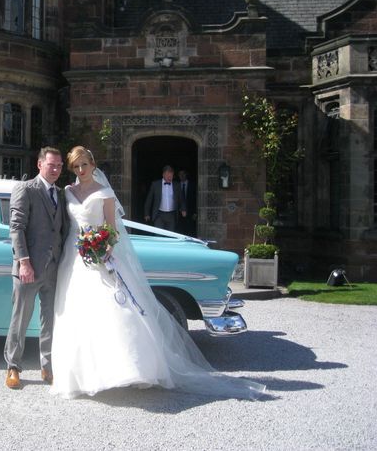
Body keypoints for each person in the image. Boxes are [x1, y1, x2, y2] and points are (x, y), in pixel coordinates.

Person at [50, 146, 267, 399]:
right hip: (73, 258)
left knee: (115, 310)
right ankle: (79, 375)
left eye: (84, 165)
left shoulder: (104, 192)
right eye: (75, 166)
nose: (80, 170)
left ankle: (126, 369)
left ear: (92, 164)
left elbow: (111, 229)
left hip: (100, 258)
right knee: (77, 312)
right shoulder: (67, 192)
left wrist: (105, 248)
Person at [4, 146, 67, 389]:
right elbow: (16, 227)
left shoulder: (59, 194)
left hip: (54, 268)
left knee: (50, 319)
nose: (56, 170)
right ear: (40, 165)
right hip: (28, 268)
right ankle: (13, 367)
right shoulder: (25, 189)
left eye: (60, 166)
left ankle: (47, 366)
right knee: (20, 319)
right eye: (52, 165)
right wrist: (24, 262)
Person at [143, 165, 185, 232]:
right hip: (159, 214)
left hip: (171, 215)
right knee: (158, 235)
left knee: (170, 236)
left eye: (171, 176)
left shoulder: (177, 185)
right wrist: (146, 213)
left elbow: (181, 199)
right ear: (163, 175)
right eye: (168, 176)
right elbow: (149, 199)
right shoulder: (155, 184)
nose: (169, 178)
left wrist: (183, 209)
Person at [177, 168, 197, 236]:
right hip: (178, 213)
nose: (181, 176)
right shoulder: (176, 185)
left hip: (190, 212)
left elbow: (195, 199)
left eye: (183, 174)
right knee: (179, 230)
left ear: (186, 175)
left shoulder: (193, 185)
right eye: (180, 174)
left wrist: (195, 212)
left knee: (190, 230)